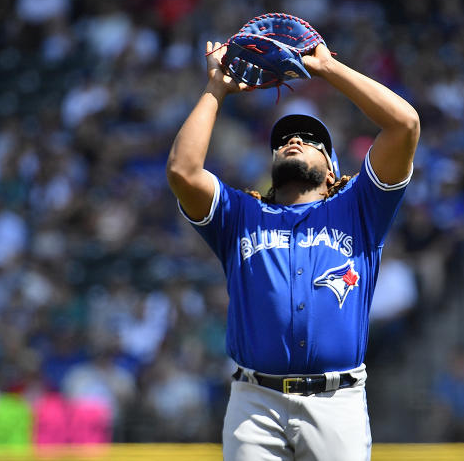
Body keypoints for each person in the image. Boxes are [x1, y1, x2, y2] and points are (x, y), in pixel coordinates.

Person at [167, 39, 419, 460]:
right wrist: (216, 87)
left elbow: (405, 124)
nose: (294, 140)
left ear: (333, 168)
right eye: (284, 139)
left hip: (336, 401)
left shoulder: (360, 207)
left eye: (310, 139)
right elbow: (182, 170)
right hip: (255, 403)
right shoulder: (239, 214)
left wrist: (327, 69)